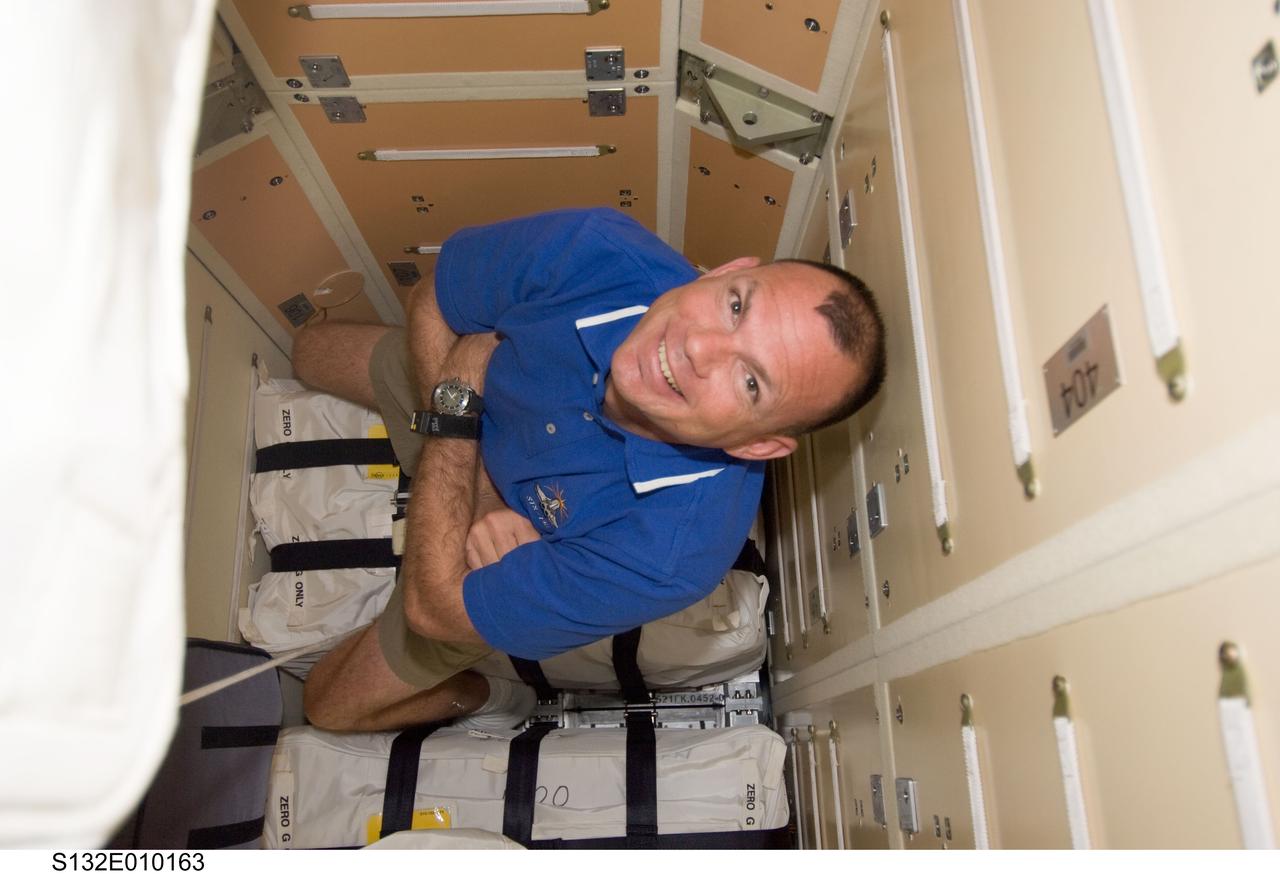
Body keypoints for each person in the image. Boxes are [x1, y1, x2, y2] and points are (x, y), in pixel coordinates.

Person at [294, 207, 886, 732]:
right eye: (735, 306)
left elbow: (435, 611)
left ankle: (484, 698)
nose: (699, 347)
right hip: (459, 405)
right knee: (307, 351)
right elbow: (431, 298)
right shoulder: (596, 246)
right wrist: (473, 476)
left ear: (758, 446)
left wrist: (456, 411)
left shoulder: (675, 555)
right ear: (725, 271)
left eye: (751, 382)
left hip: (470, 491)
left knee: (326, 705)